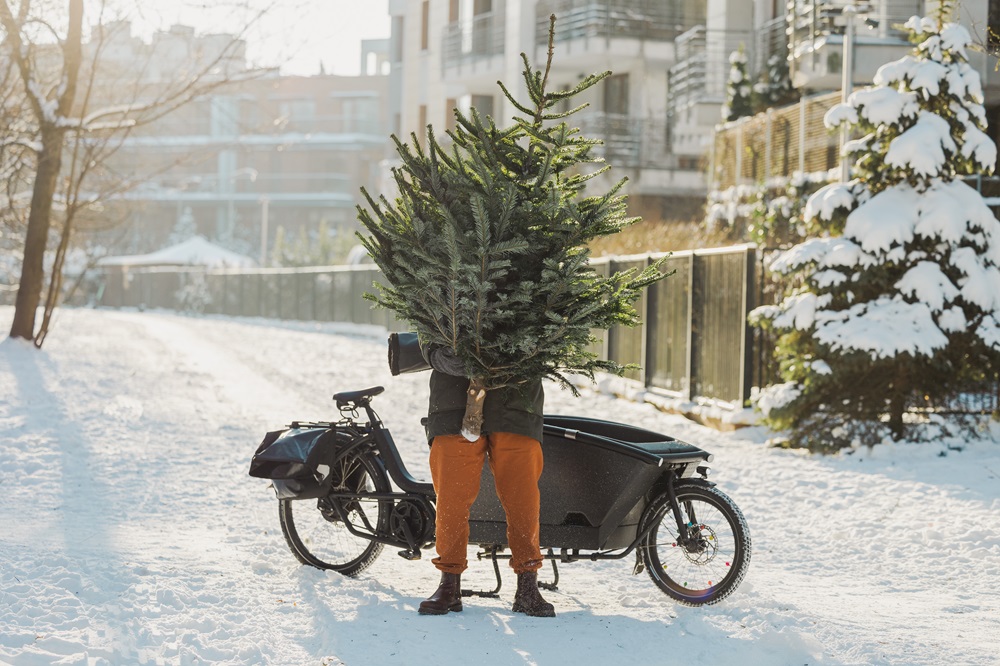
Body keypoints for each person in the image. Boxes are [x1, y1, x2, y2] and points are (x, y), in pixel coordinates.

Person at [416, 345, 555, 618]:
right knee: (451, 498)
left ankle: (528, 584)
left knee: (522, 497)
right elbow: (424, 313)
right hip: (452, 398)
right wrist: (434, 352)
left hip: (517, 398)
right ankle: (449, 583)